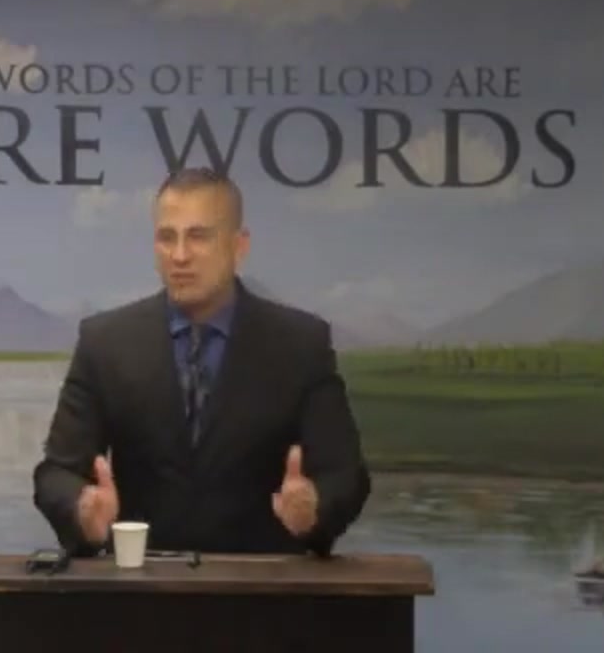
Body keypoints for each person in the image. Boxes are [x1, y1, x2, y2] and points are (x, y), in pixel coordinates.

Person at [32, 166, 371, 557]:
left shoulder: (300, 344)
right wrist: (81, 509)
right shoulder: (105, 342)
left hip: (264, 585)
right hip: (138, 584)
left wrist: (314, 510)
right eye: (167, 237)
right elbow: (57, 473)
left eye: (198, 236)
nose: (179, 256)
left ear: (239, 246)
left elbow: (345, 477)